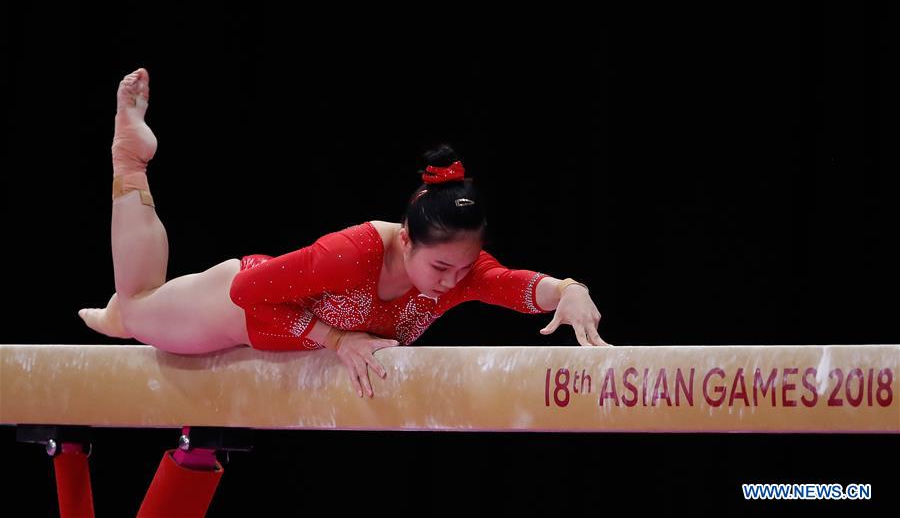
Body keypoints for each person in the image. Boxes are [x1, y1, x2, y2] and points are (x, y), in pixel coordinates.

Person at [79, 68, 611, 399]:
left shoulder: (460, 274)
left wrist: (568, 290)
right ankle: (129, 157)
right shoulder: (352, 254)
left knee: (133, 308)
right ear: (406, 240)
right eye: (442, 267)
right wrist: (335, 340)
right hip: (235, 307)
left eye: (465, 267)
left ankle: (123, 311)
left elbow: (513, 285)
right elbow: (249, 295)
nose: (453, 282)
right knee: (139, 307)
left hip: (264, 324)